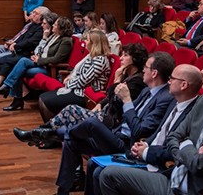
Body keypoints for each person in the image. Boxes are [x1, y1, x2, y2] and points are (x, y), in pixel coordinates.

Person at [101, 51, 203, 195]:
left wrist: (186, 144)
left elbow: (199, 165)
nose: (202, 72)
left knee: (108, 175)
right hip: (174, 177)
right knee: (107, 174)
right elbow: (174, 136)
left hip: (193, 189)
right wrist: (190, 147)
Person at [51, 52, 175, 195]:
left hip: (128, 145)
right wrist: (117, 93)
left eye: (146, 67)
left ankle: (59, 132)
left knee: (91, 123)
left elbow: (139, 131)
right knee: (71, 142)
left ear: (154, 73)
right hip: (115, 134)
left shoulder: (165, 98)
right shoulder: (147, 90)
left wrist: (127, 100)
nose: (143, 70)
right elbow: (121, 112)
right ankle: (63, 191)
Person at [13, 43, 149, 150]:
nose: (121, 58)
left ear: (135, 59)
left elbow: (117, 102)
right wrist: (100, 104)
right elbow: (109, 97)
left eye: (125, 55)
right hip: (106, 113)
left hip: (114, 122)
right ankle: (40, 134)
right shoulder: (127, 74)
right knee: (70, 113)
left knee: (71, 111)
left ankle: (39, 135)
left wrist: (117, 80)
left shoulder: (136, 81)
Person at [94, 64, 202, 194]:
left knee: (104, 174)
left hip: (161, 165)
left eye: (172, 78)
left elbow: (175, 149)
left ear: (183, 85)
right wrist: (146, 143)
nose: (169, 81)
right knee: (95, 168)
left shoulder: (195, 113)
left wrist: (146, 151)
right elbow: (159, 132)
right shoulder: (173, 101)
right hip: (145, 152)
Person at [0, 16, 74, 111]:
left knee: (19, 68)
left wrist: (39, 60)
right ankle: (10, 91)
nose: (53, 25)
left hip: (48, 68)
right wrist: (37, 55)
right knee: (21, 62)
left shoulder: (66, 41)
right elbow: (43, 49)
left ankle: (13, 94)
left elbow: (57, 59)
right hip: (40, 62)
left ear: (61, 27)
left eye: (55, 24)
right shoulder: (53, 36)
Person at [37, 29, 112, 121]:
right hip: (77, 89)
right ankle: (51, 127)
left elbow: (83, 80)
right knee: (42, 98)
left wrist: (68, 84)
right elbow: (78, 73)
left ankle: (51, 128)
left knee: (45, 101)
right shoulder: (91, 56)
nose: (85, 42)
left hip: (85, 95)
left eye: (87, 40)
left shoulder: (100, 60)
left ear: (94, 44)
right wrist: (69, 78)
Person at [0, 6, 48, 84]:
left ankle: (1, 79)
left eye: (35, 13)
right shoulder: (30, 24)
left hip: (22, 50)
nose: (32, 14)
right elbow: (21, 36)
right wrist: (11, 42)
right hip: (16, 46)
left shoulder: (40, 29)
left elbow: (30, 42)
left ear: (42, 17)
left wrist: (16, 45)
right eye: (33, 12)